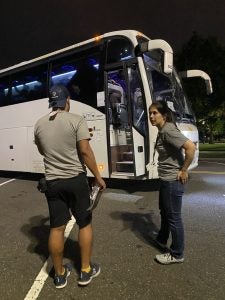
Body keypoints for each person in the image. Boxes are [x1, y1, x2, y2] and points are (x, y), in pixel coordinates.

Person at [34, 84, 106, 288]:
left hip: (52, 183)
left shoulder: (39, 124)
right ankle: (85, 270)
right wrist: (98, 177)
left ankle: (59, 274)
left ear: (51, 102)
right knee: (84, 223)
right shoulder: (77, 120)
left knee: (56, 229)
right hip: (75, 180)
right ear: (67, 101)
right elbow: (84, 151)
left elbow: (42, 151)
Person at [149, 100, 195, 265]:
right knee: (164, 212)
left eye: (155, 113)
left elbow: (190, 147)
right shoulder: (162, 130)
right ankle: (162, 238)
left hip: (172, 180)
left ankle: (177, 253)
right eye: (150, 113)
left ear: (164, 115)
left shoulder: (168, 130)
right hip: (166, 179)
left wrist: (184, 169)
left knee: (174, 217)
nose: (151, 116)